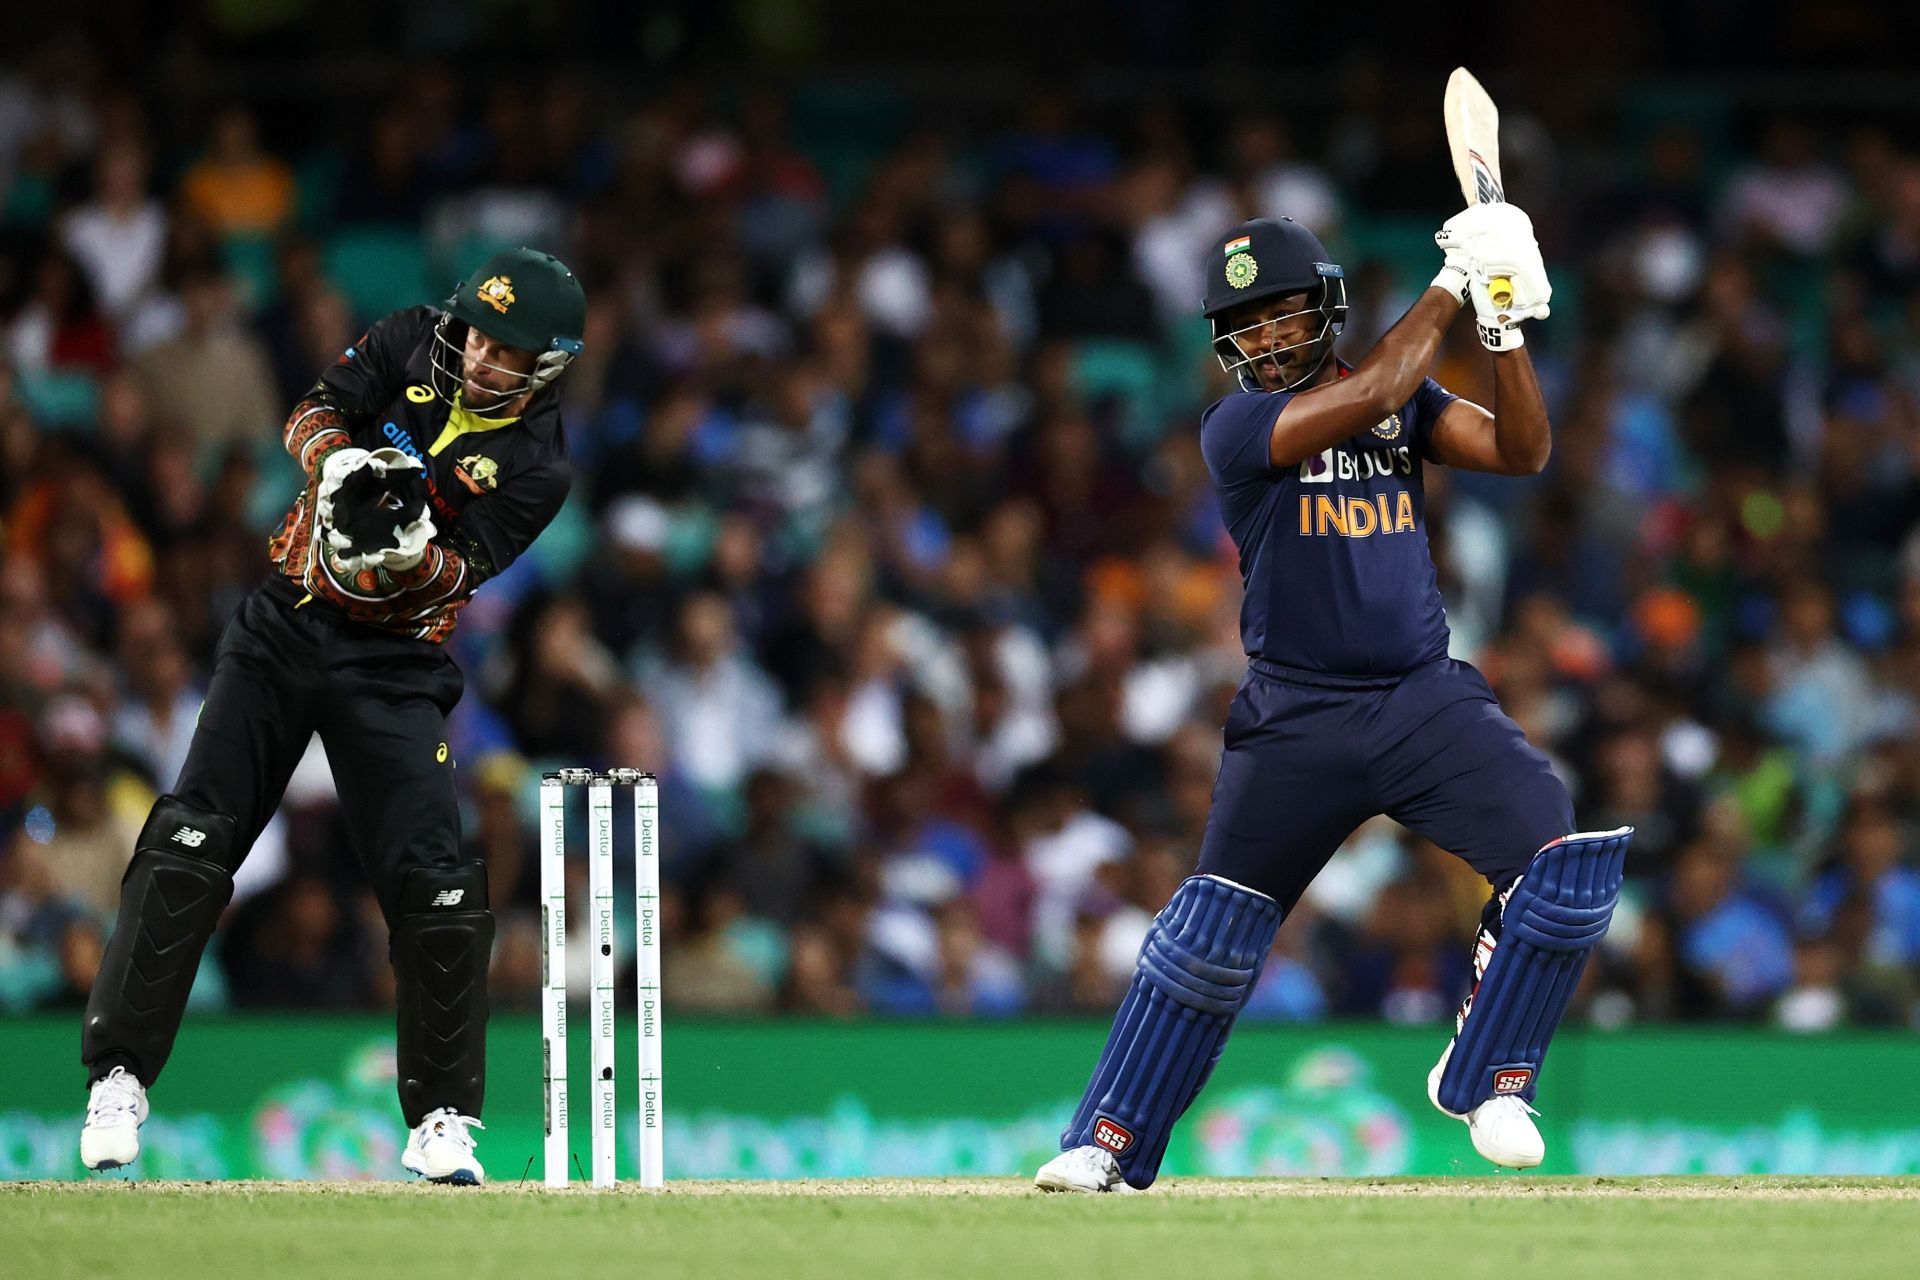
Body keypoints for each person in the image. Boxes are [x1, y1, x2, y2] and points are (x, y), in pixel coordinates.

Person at [1034, 211, 1632, 1192]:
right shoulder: (1234, 426)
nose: (1265, 338)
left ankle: (1490, 1074)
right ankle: (1106, 1139)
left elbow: (1522, 448)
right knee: (1210, 939)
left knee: (1557, 859)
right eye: (1246, 323)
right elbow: (1384, 385)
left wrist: (1504, 323)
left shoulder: (1401, 397)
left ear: (1323, 306)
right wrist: (1453, 275)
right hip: (1296, 717)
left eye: (1280, 313)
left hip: (1420, 698)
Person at [77, 247, 586, 1186]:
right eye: (477, 331)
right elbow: (310, 412)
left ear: (543, 365)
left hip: (394, 666)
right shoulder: (408, 339)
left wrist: (405, 550)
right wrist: (338, 457)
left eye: (505, 348)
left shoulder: (539, 466)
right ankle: (117, 1079)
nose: (477, 355)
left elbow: (461, 572)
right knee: (192, 835)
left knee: (436, 881)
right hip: (283, 626)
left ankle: (440, 1120)